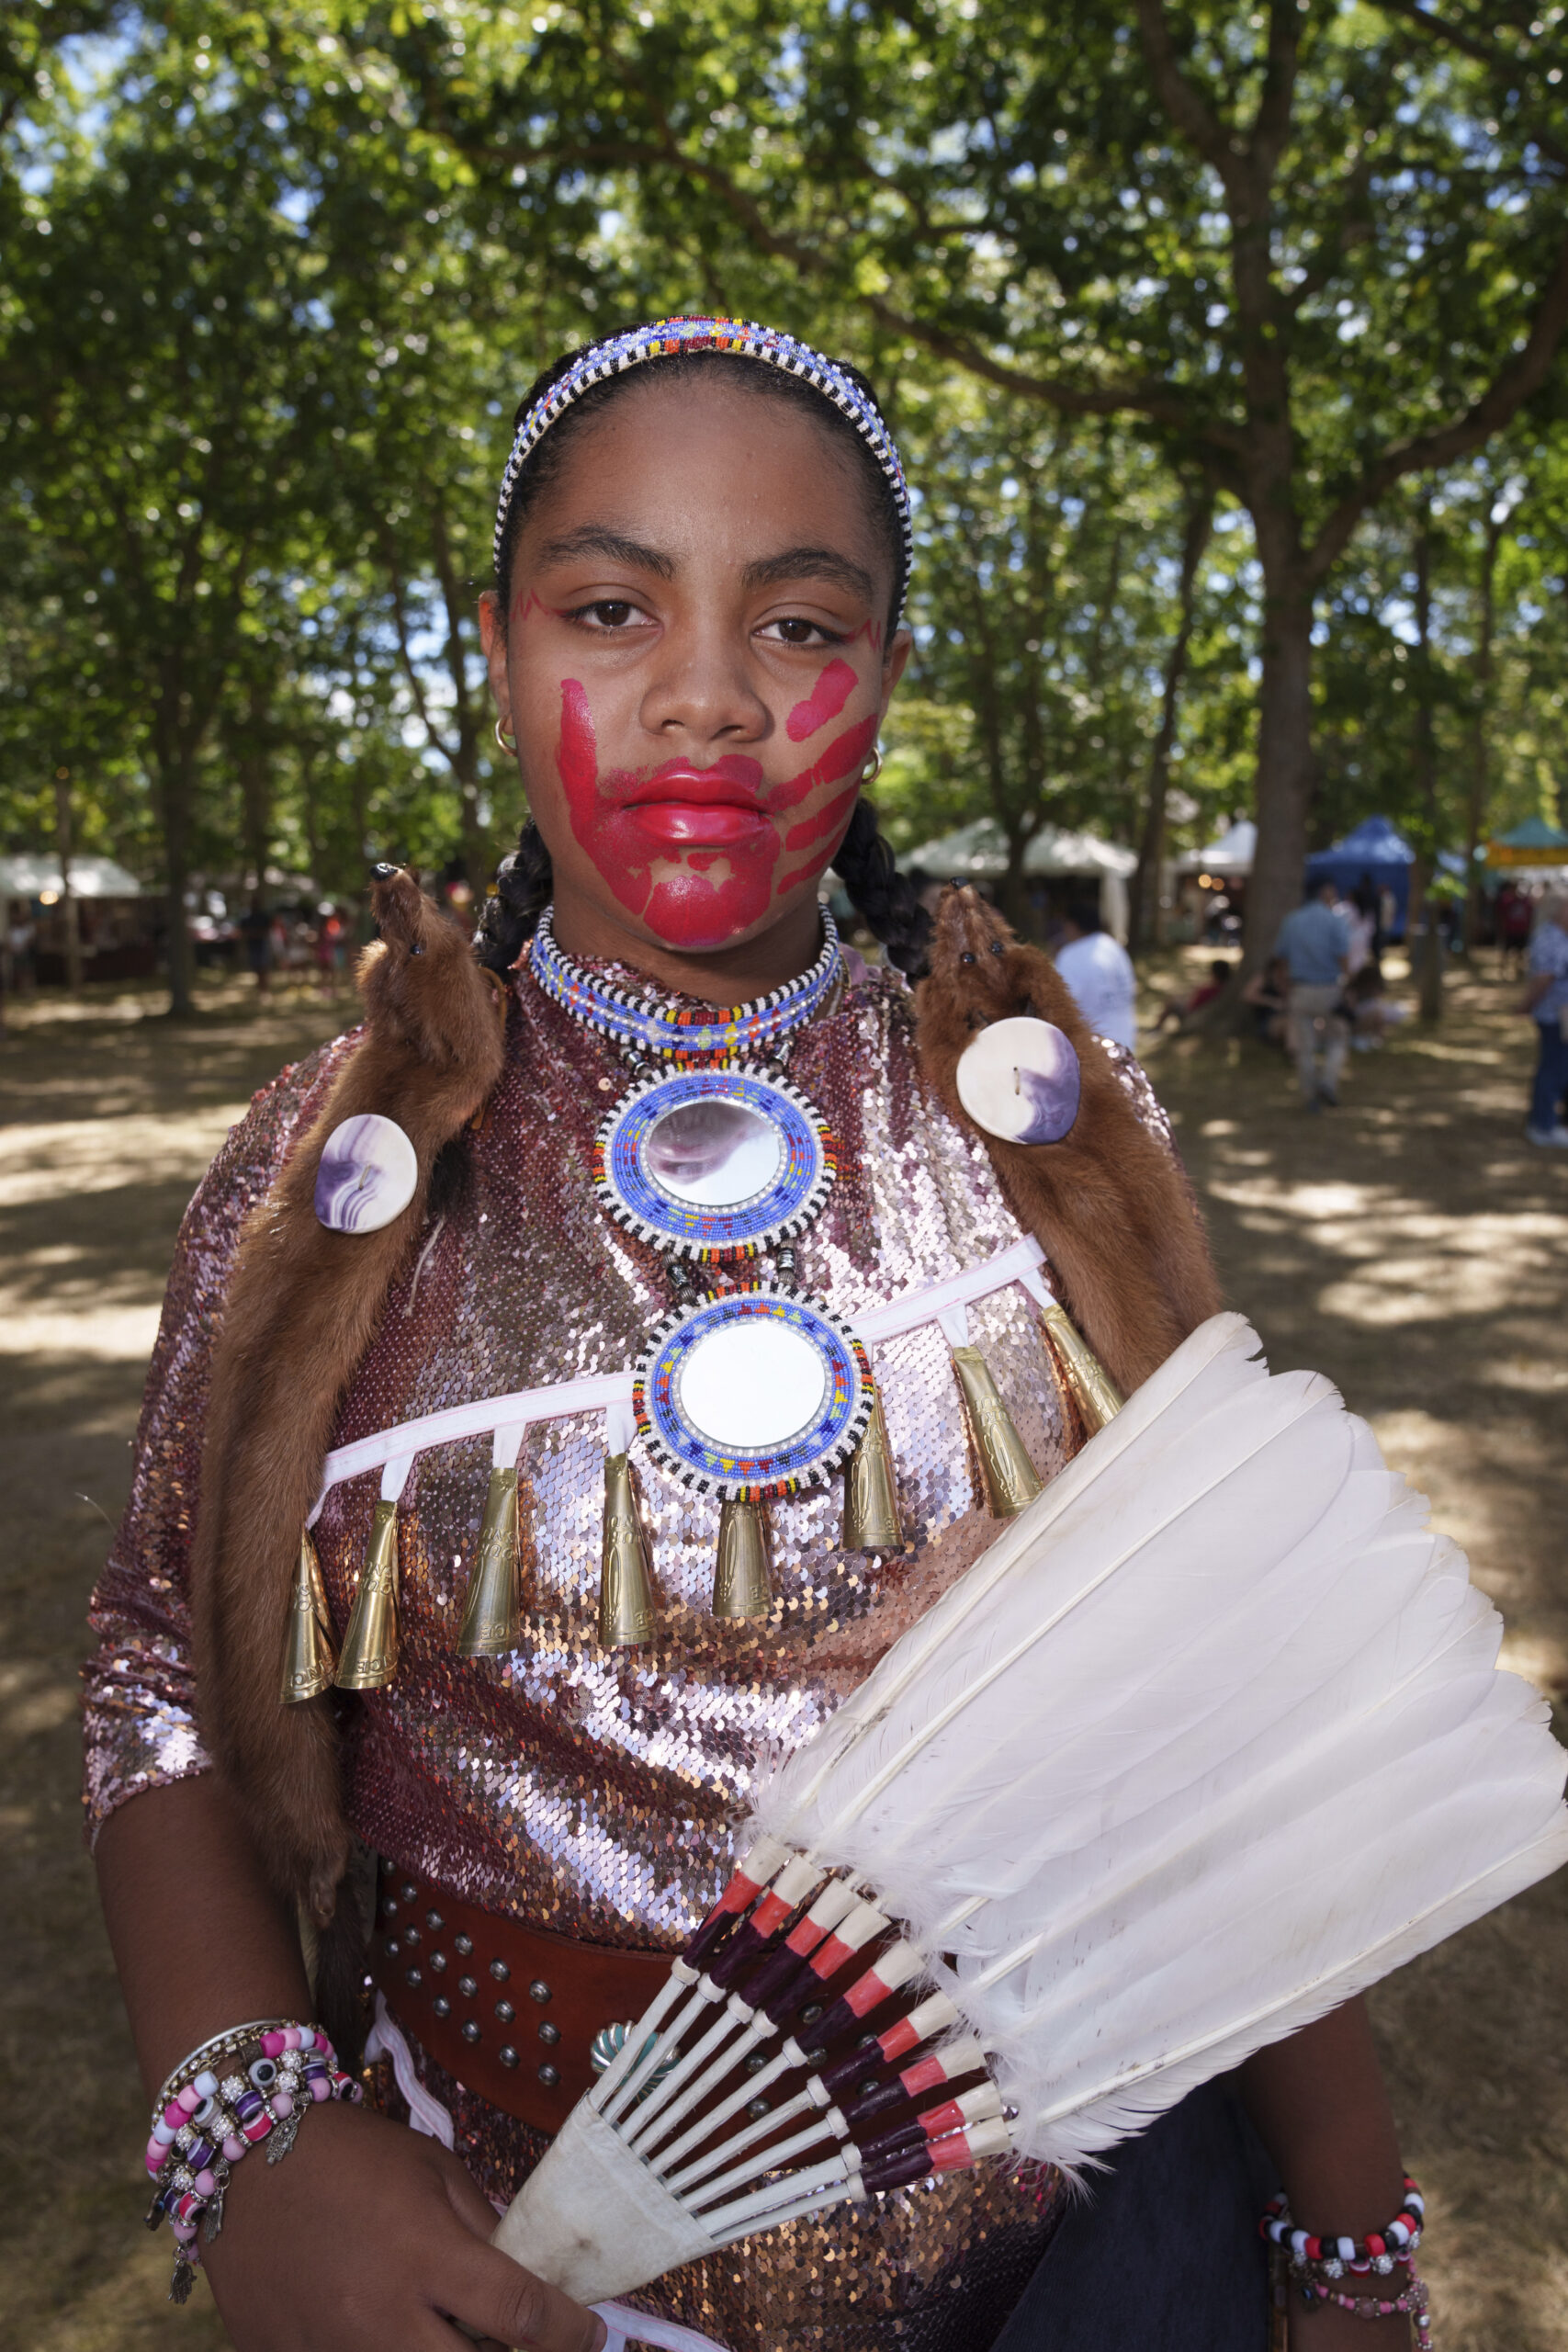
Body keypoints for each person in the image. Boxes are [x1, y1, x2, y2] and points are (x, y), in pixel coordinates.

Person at [85, 319, 1420, 2352]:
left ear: (879, 678)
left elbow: (1209, 1705)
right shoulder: (330, 1157)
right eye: (610, 606)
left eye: (798, 625)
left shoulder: (1043, 1120)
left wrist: (1345, 2235)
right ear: (494, 644)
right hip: (523, 2265)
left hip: (1087, 2257)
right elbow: (156, 1667)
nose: (706, 693)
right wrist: (252, 2128)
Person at [1274, 877, 1351, 1109]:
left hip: (1300, 990)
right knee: (1338, 1039)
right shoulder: (1335, 921)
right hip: (1330, 989)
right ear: (1325, 893)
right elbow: (1344, 958)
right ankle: (1328, 1082)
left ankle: (1310, 1096)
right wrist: (1346, 985)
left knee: (1304, 1048)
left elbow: (1281, 958)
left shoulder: (1292, 921)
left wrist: (1285, 986)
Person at [1051, 895, 1139, 1051]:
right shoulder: (1114, 947)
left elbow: (1058, 1005)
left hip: (1092, 1051)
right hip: (1126, 1044)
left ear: (1072, 925)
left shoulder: (1070, 955)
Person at [1521, 888, 1568, 1146]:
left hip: (1558, 1014)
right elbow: (1543, 979)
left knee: (1558, 1068)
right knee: (1553, 1069)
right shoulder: (1550, 938)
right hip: (1555, 1016)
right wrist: (1525, 1005)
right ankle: (1542, 1125)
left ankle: (1547, 1121)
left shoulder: (1558, 935)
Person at [1155, 956, 1231, 1034]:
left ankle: (1157, 1029)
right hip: (1202, 1015)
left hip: (1194, 1016)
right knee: (1176, 1000)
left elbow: (1192, 1006)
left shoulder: (1209, 990)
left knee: (1171, 1004)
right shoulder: (1226, 989)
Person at [1241, 954, 1291, 1048]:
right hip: (1267, 1022)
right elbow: (1246, 995)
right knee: (1288, 1026)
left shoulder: (1290, 981)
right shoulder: (1264, 979)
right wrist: (1272, 1002)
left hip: (1289, 1018)